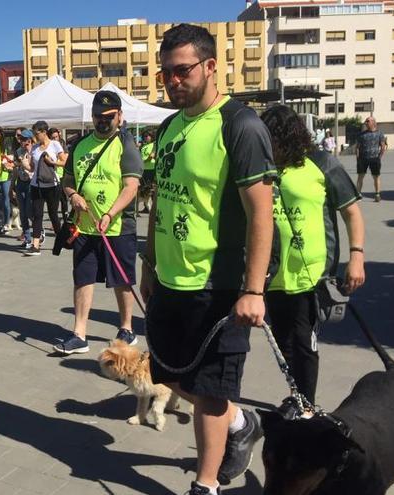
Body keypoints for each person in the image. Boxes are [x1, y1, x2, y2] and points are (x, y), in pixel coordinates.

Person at [139, 24, 277, 494]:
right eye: (166, 74)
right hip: (171, 280)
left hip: (218, 285)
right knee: (171, 375)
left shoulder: (240, 124)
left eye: (183, 70)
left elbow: (262, 212)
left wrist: (253, 289)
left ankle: (206, 483)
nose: (173, 81)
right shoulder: (169, 126)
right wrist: (149, 264)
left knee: (212, 392)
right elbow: (161, 199)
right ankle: (242, 423)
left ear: (211, 66)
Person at [260, 105, 365, 404]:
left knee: (305, 344)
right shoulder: (263, 168)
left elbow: (352, 213)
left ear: (289, 138)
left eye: (273, 140)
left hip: (312, 274)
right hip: (274, 275)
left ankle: (307, 404)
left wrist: (356, 256)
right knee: (283, 344)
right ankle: (296, 396)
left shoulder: (321, 163)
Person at [54, 91, 143, 355]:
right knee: (82, 278)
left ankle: (127, 328)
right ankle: (79, 334)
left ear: (119, 116)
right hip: (84, 226)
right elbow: (67, 181)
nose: (103, 121)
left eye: (108, 117)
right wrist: (74, 196)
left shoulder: (126, 144)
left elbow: (131, 187)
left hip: (117, 227)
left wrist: (110, 213)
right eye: (97, 117)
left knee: (121, 280)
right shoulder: (80, 145)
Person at [24, 120, 68, 256]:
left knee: (53, 214)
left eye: (36, 133)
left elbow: (65, 161)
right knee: (37, 215)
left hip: (52, 185)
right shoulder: (35, 148)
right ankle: (35, 245)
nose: (35, 137)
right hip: (36, 185)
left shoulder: (55, 145)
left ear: (44, 132)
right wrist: (25, 164)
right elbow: (32, 167)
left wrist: (52, 162)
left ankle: (60, 240)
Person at [354, 116, 387, 202]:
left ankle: (377, 194)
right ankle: (358, 194)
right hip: (362, 158)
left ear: (373, 122)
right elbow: (357, 147)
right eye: (365, 121)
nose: (366, 123)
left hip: (374, 159)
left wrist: (379, 157)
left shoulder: (379, 133)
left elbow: (383, 146)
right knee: (360, 176)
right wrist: (358, 158)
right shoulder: (361, 134)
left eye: (367, 121)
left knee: (376, 176)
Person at [13, 129, 34, 246]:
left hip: (31, 182)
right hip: (21, 182)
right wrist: (12, 185)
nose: (22, 141)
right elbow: (16, 168)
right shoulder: (18, 151)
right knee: (23, 213)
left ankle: (39, 230)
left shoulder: (34, 151)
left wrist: (28, 152)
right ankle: (27, 238)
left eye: (25, 139)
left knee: (29, 211)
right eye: (21, 139)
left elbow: (31, 168)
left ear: (30, 140)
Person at [49, 127, 69, 220]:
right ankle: (55, 221)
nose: (54, 139)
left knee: (64, 200)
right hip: (51, 177)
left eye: (56, 137)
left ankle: (65, 220)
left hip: (61, 176)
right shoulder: (48, 146)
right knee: (54, 202)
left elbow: (66, 158)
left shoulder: (62, 145)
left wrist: (55, 161)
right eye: (52, 138)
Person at [138, 129, 157, 214]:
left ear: (151, 136)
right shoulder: (143, 146)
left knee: (151, 189)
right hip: (144, 170)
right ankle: (146, 207)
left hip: (151, 169)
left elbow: (151, 156)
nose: (146, 138)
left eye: (147, 136)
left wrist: (144, 161)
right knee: (144, 189)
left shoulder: (154, 145)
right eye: (144, 136)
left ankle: (155, 209)